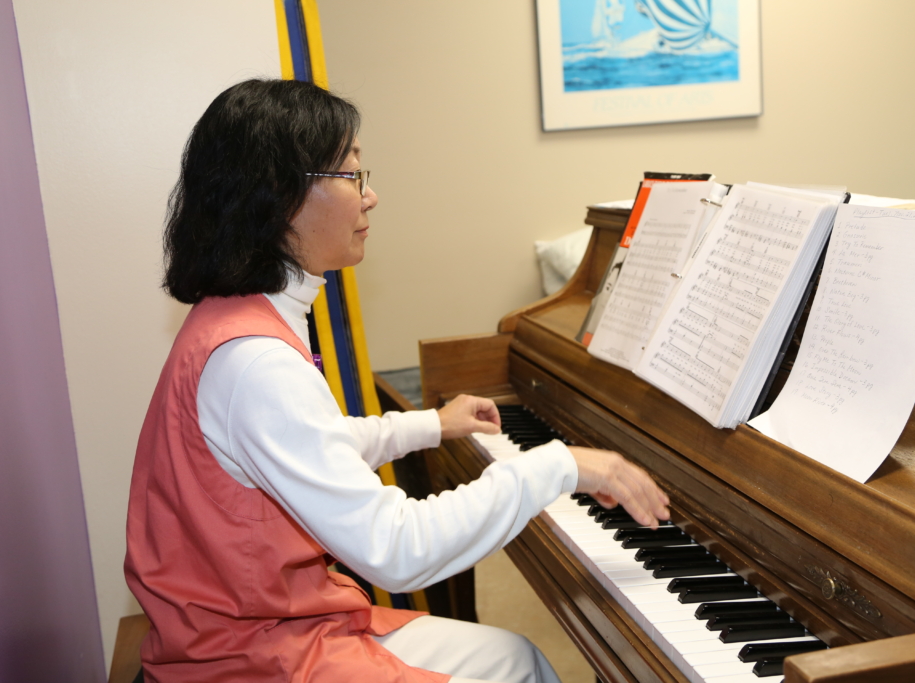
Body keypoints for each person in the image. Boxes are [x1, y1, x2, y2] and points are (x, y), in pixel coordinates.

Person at [125, 78, 670, 683]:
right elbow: (396, 549)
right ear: (281, 197)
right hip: (247, 656)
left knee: (520, 660)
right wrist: (558, 464)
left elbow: (310, 446)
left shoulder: (236, 315)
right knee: (519, 668)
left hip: (266, 621)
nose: (372, 196)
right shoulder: (256, 363)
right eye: (353, 175)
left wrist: (430, 425)